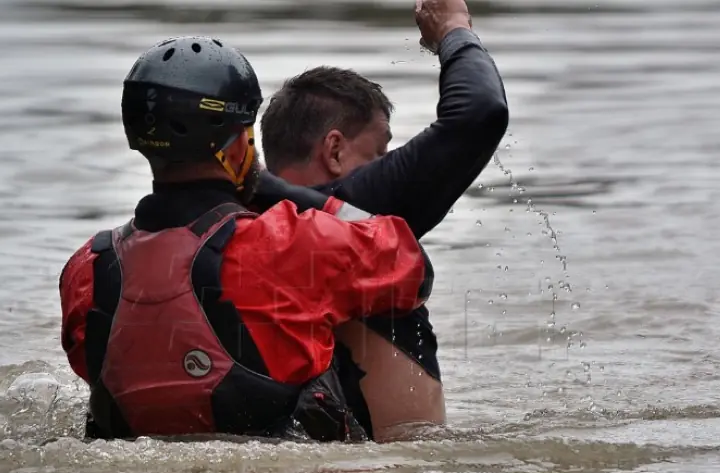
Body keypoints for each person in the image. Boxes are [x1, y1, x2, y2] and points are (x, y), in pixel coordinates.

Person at [58, 36, 434, 442]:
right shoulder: (295, 243)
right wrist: (286, 193)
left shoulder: (87, 269)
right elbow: (415, 271)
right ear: (239, 144)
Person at [253, 0, 509, 441]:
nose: (388, 166)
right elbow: (479, 113)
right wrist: (453, 28)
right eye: (379, 152)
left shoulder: (234, 228)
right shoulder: (351, 216)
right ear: (334, 151)